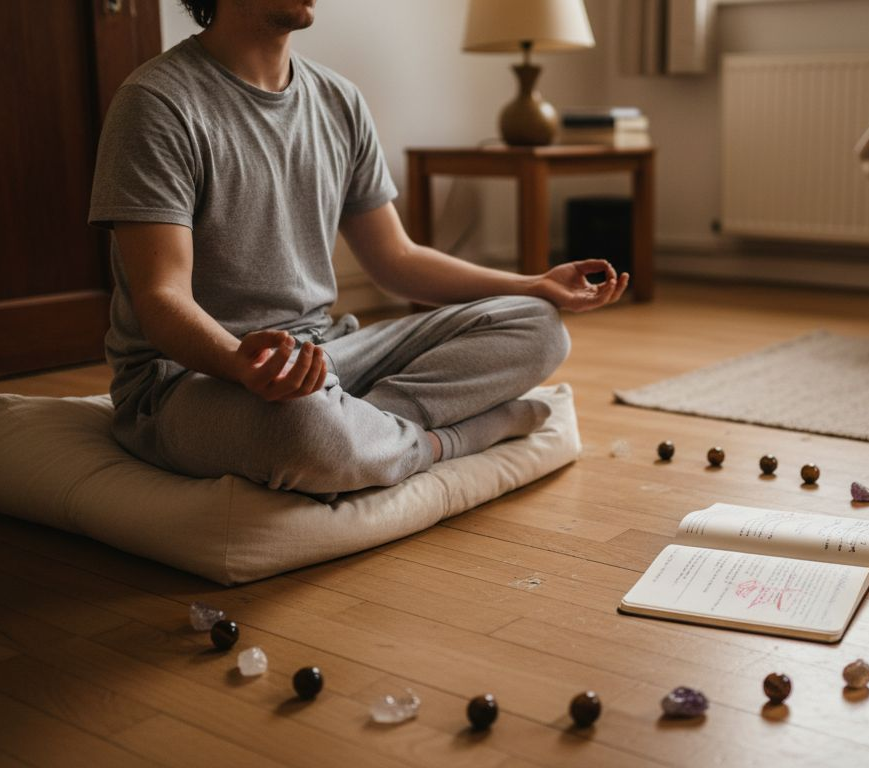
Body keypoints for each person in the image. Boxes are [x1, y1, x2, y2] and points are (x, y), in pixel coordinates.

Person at [88, 0, 627, 498]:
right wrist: (240, 364)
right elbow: (161, 300)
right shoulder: (156, 104)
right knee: (304, 431)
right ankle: (450, 439)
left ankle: (361, 430)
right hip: (189, 381)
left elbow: (397, 261)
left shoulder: (337, 99)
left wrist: (533, 284)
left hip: (324, 355)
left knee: (539, 325)